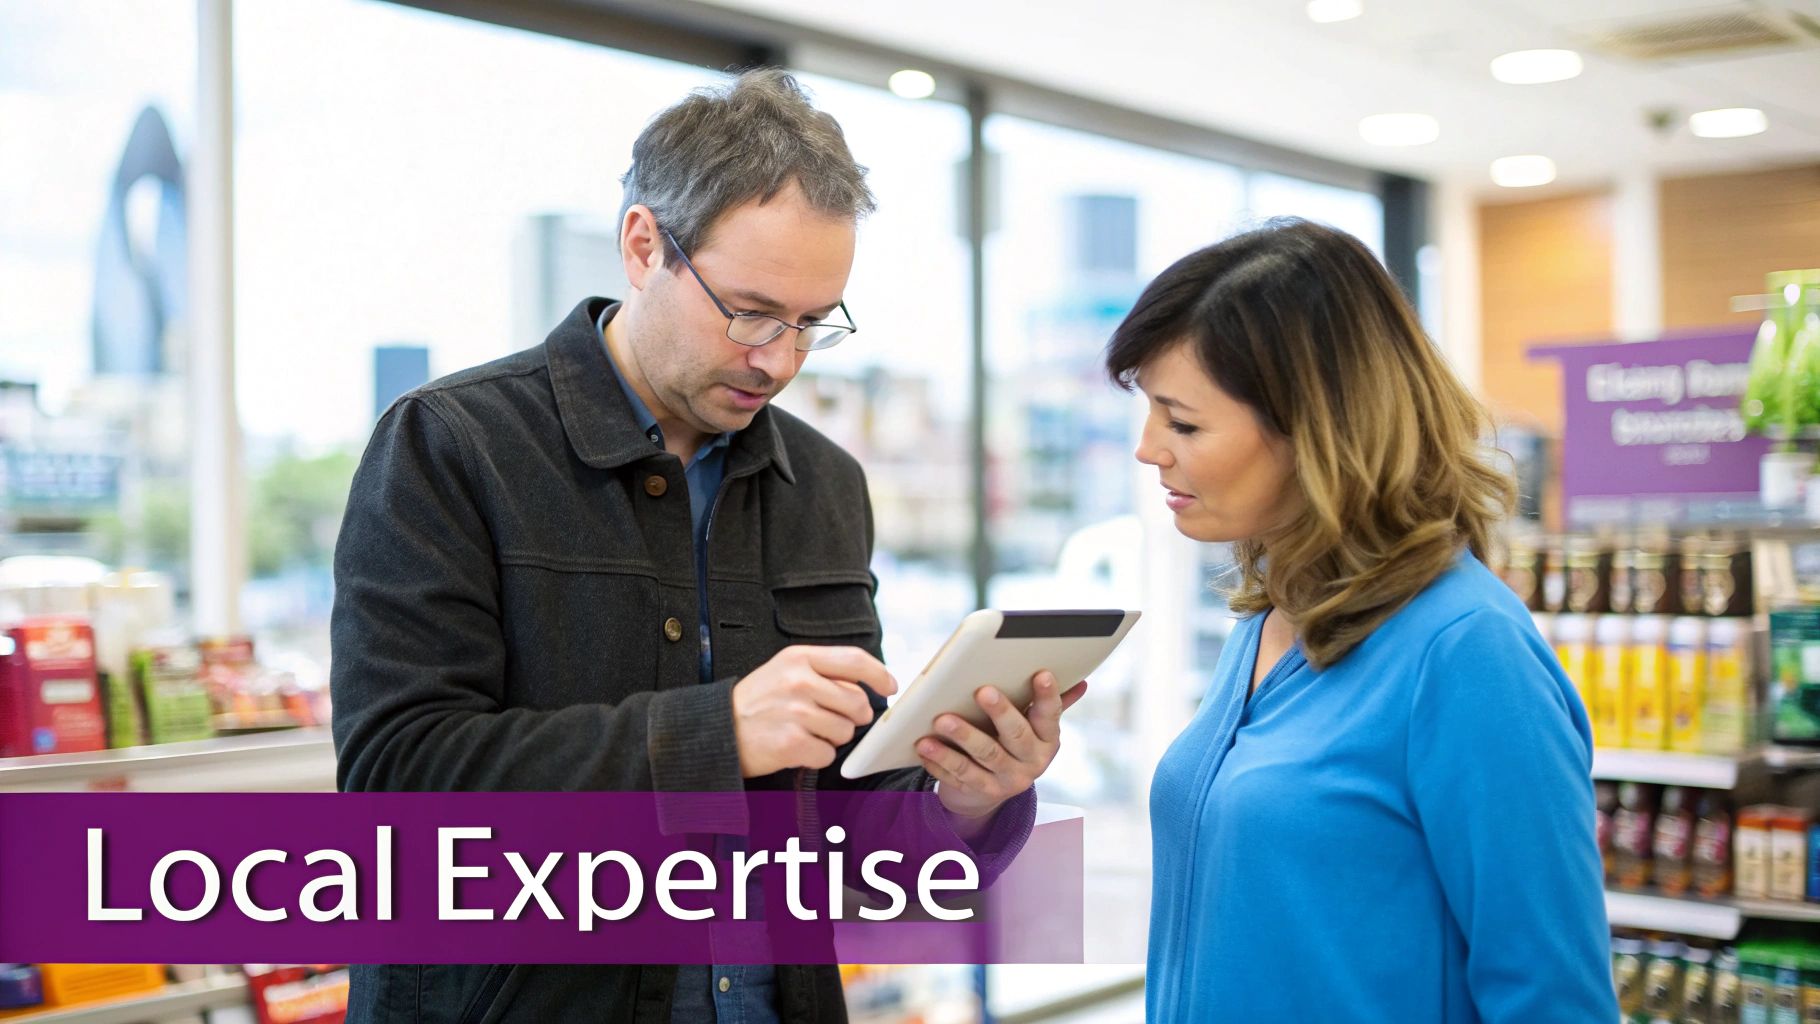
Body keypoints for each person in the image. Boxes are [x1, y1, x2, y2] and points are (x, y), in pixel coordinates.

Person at [331, 68, 1082, 1023]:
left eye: (813, 324)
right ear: (644, 246)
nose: (779, 358)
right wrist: (711, 735)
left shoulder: (826, 487)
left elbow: (854, 820)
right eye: (752, 311)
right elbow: (400, 781)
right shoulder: (451, 444)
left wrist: (966, 799)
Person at [1108, 219, 1617, 1022]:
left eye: (1183, 422)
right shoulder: (1271, 620)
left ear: (1314, 427)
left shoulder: (1466, 652)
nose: (1149, 450)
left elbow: (1555, 996)